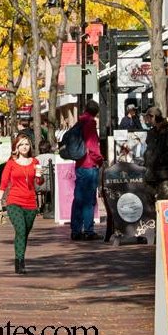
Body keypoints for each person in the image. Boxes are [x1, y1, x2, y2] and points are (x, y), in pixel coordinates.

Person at [0, 133, 44, 274]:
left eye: (26, 144)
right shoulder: (11, 163)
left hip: (31, 203)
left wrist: (39, 177)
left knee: (24, 233)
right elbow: (4, 183)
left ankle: (19, 258)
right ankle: (20, 262)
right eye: (21, 144)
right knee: (21, 230)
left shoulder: (35, 162)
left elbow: (39, 182)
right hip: (14, 201)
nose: (24, 147)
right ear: (16, 147)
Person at [70, 99, 104, 242]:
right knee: (89, 200)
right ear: (96, 112)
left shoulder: (80, 122)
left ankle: (76, 230)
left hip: (80, 164)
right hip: (89, 166)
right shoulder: (90, 123)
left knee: (78, 199)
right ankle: (89, 230)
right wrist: (100, 159)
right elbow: (92, 146)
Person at [142, 106, 168, 202]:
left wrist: (160, 160)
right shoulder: (151, 132)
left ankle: (161, 217)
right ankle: (154, 215)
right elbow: (149, 149)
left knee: (164, 199)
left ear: (153, 117)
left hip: (164, 173)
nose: (147, 120)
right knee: (149, 198)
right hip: (151, 173)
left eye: (148, 117)